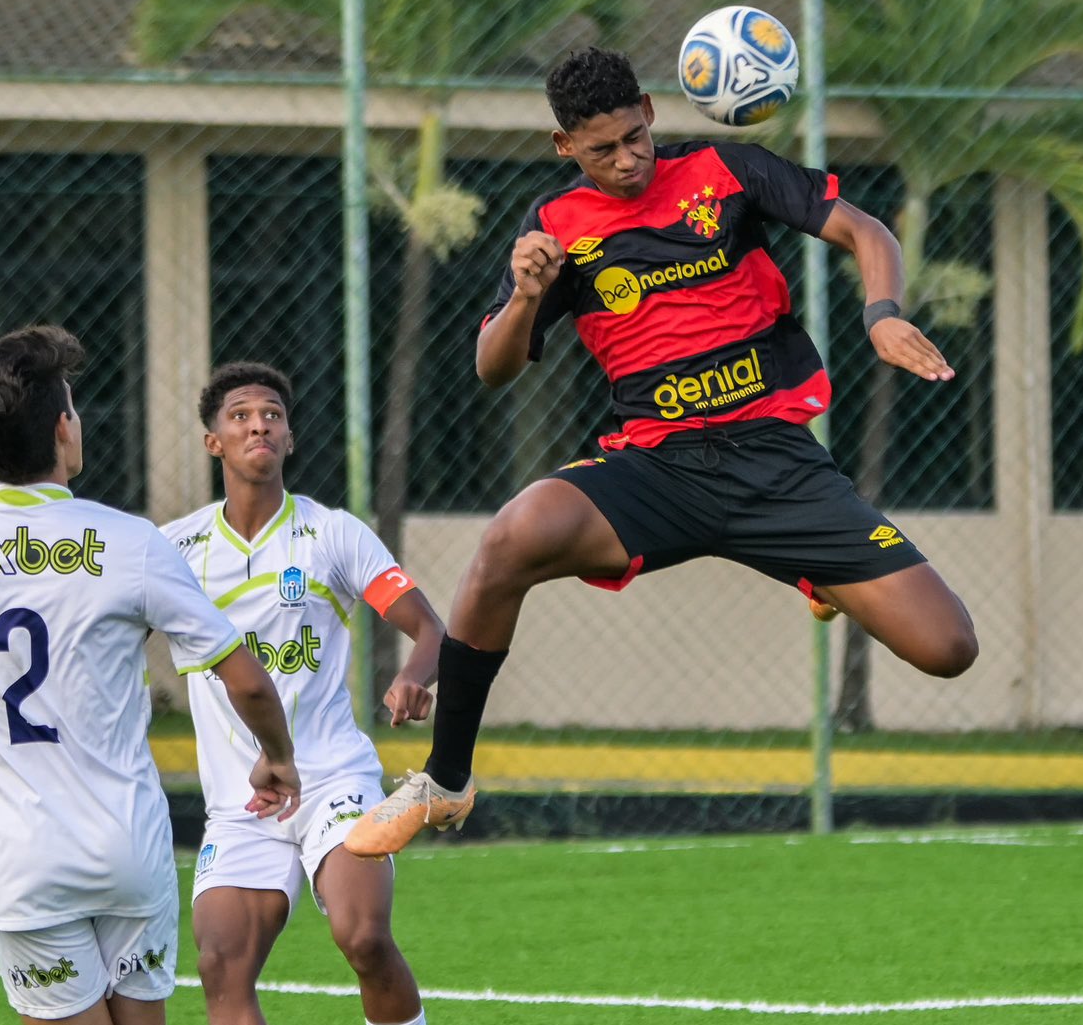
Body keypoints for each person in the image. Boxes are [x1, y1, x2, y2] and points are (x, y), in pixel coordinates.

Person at [347, 47, 979, 856]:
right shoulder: (555, 228)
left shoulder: (728, 166)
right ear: (564, 147)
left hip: (775, 461)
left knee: (948, 648)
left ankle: (818, 571)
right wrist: (530, 297)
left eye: (634, 136)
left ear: (650, 110)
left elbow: (864, 228)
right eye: (601, 149)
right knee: (510, 537)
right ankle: (445, 781)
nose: (625, 159)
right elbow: (492, 369)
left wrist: (882, 313)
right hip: (657, 467)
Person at [0, 325, 302, 1025]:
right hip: (130, 846)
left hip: (25, 859)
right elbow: (244, 678)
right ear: (64, 430)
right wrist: (277, 755)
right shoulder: (130, 541)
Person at [162, 362, 443, 1025]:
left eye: (272, 415)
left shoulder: (332, 534)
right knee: (220, 967)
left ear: (288, 439)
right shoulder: (173, 551)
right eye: (240, 415)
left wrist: (413, 674)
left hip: (332, 781)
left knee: (364, 936)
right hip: (240, 803)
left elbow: (431, 628)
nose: (258, 423)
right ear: (213, 444)